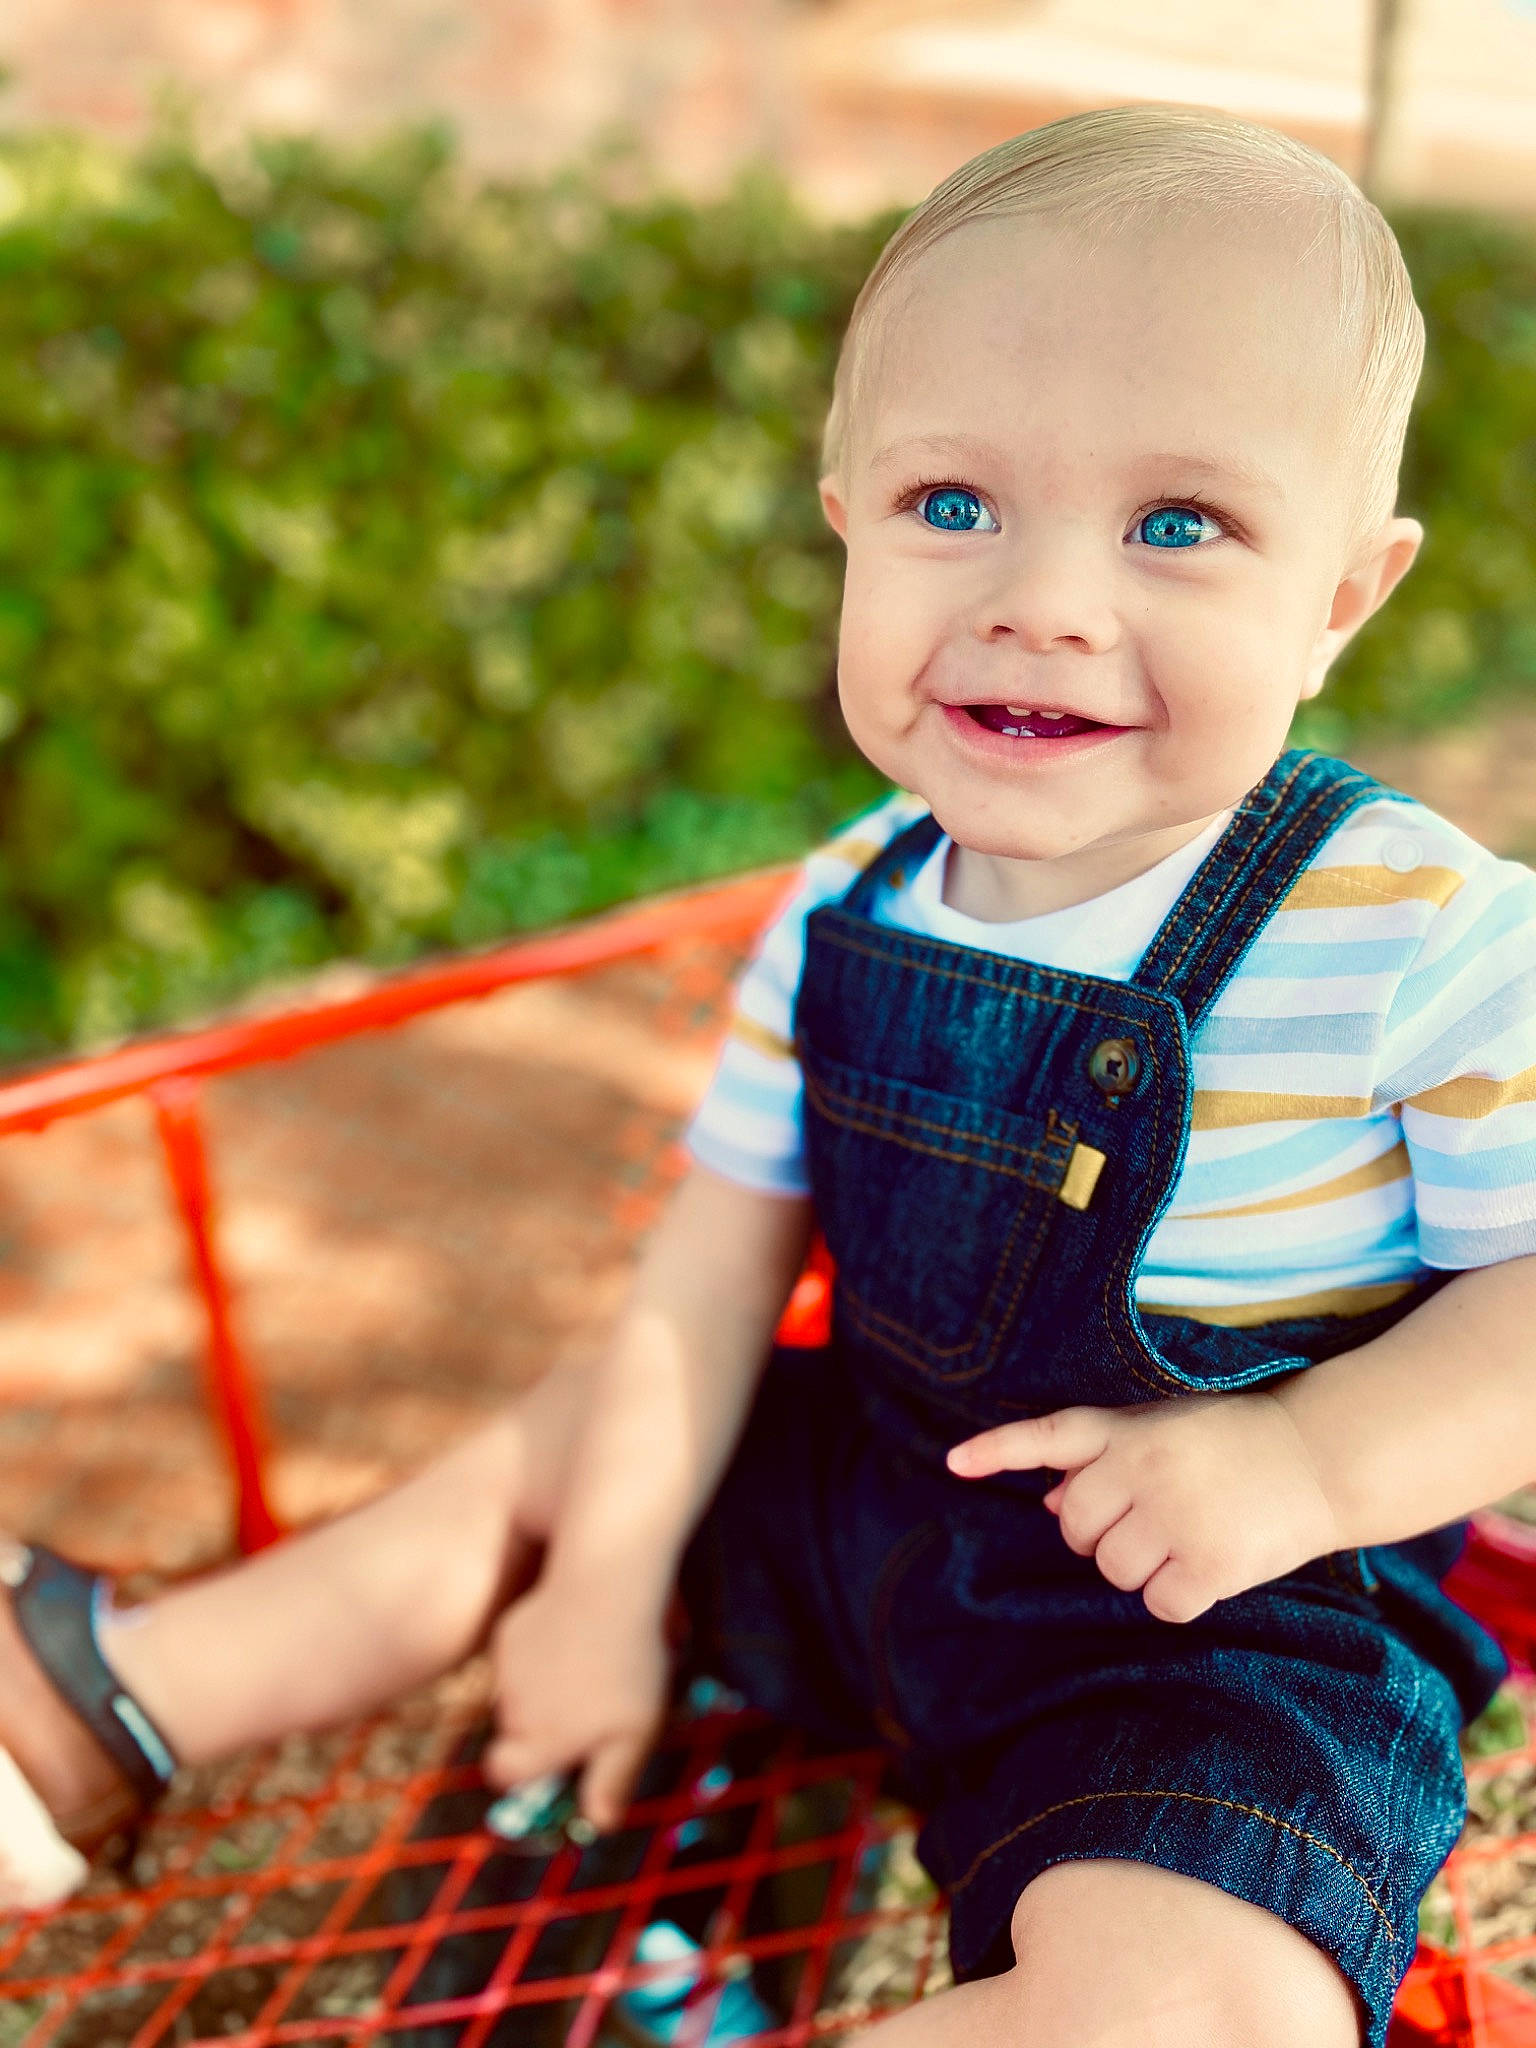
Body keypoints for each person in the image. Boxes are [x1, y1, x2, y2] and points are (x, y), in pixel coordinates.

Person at [3, 103, 1534, 2047]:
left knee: (1212, 2003)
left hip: (1207, 1620)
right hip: (870, 1507)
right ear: (848, 519)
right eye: (953, 505)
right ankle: (105, 1689)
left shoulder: (1422, 936)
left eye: (1179, 525)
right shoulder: (844, 905)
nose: (1044, 598)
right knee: (582, 1441)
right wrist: (606, 1574)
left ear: (1344, 596)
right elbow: (709, 1278)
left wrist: (1310, 1461)